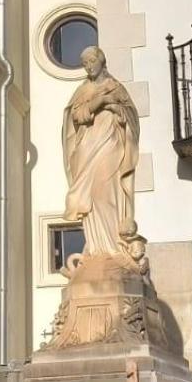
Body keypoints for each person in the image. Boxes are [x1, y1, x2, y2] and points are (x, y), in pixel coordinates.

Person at [61, 47, 143, 268]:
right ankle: (97, 249)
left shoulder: (116, 87)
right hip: (87, 147)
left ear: (101, 61)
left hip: (111, 144)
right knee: (92, 197)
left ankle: (114, 247)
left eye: (91, 61)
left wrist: (115, 107)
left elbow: (130, 118)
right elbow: (77, 117)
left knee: (106, 192)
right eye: (84, 63)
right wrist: (102, 101)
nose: (88, 66)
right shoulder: (82, 90)